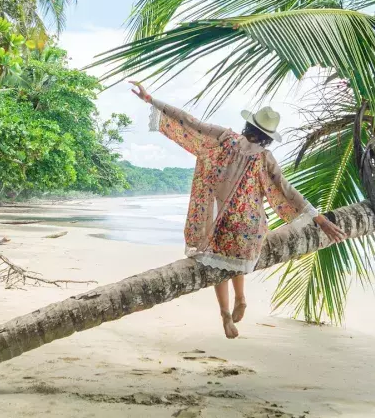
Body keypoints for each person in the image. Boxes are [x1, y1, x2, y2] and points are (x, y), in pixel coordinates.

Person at [130, 81, 347, 338]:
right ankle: (241, 297)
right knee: (235, 259)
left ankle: (225, 314)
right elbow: (287, 190)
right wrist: (318, 218)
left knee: (217, 261)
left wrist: (151, 100)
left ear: (249, 126)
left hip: (221, 222)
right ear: (267, 136)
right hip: (249, 228)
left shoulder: (225, 138)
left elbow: (190, 122)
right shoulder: (264, 158)